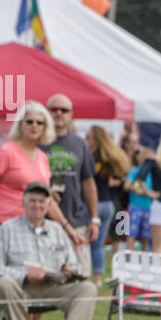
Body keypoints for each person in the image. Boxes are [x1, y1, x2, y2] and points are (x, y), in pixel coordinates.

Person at [0, 182, 99, 320]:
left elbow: (74, 264)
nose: (37, 205)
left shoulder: (57, 230)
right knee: (2, 283)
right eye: (32, 201)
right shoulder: (8, 228)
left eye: (41, 201)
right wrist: (25, 275)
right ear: (23, 204)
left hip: (54, 287)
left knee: (88, 288)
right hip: (21, 289)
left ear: (48, 206)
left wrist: (70, 270)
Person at [0, 102, 79, 244]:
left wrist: (67, 227)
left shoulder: (42, 157)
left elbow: (47, 199)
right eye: (29, 122)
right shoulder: (6, 152)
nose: (34, 126)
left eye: (40, 123)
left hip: (33, 224)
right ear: (20, 125)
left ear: (45, 128)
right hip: (4, 224)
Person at [43, 93, 100, 278]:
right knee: (40, 279)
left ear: (71, 115)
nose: (59, 113)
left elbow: (88, 182)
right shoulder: (37, 142)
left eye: (64, 110)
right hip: (41, 221)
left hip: (75, 220)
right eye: (54, 109)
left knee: (82, 276)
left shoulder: (80, 144)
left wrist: (94, 218)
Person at [86, 125, 128, 282]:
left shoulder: (91, 157)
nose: (86, 139)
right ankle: (98, 278)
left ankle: (86, 276)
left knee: (86, 242)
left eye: (88, 136)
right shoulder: (110, 158)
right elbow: (121, 176)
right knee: (99, 244)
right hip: (109, 205)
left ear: (95, 138)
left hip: (92, 205)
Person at [122, 145, 157, 250]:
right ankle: (129, 255)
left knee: (146, 235)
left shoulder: (153, 174)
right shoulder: (134, 171)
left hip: (148, 207)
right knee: (131, 233)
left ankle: (143, 256)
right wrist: (134, 189)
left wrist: (146, 192)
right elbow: (126, 186)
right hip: (135, 206)